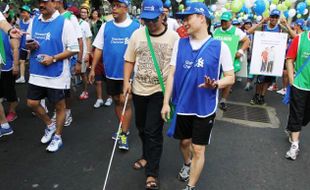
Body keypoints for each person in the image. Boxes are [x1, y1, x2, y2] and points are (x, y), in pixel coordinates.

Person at [161, 3, 234, 190]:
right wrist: (165, 102)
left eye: (188, 18)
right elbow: (172, 73)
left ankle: (190, 187)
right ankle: (187, 163)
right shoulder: (180, 43)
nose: (184, 22)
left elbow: (230, 77)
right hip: (183, 104)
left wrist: (216, 84)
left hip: (205, 107)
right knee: (184, 142)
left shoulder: (220, 47)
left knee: (198, 148)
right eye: (183, 19)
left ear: (202, 18)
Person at [123, 0, 179, 188]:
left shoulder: (173, 37)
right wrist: (126, 83)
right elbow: (129, 60)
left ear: (162, 15)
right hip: (139, 89)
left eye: (154, 19)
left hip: (159, 91)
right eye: (146, 20)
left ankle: (152, 173)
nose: (150, 24)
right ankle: (146, 156)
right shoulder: (137, 34)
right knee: (141, 128)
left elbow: (174, 68)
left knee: (153, 132)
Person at [25, 0, 79, 152]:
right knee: (32, 103)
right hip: (37, 72)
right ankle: (50, 125)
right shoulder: (34, 20)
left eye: (44, 1)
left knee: (59, 107)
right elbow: (27, 43)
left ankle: (57, 137)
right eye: (39, 2)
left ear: (55, 3)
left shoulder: (65, 22)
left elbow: (74, 48)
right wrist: (30, 45)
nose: (41, 5)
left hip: (57, 74)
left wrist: (53, 58)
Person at [89, 0, 139, 150]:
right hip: (110, 73)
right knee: (117, 101)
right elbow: (98, 48)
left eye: (117, 6)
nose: (114, 9)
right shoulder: (106, 26)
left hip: (128, 76)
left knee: (125, 102)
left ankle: (124, 133)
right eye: (113, 6)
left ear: (126, 8)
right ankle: (122, 126)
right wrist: (92, 69)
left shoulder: (136, 27)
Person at [247, 9, 296, 105]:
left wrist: (286, 24)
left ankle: (262, 96)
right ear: (269, 17)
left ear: (278, 18)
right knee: (260, 79)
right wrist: (261, 22)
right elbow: (249, 31)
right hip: (262, 58)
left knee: (268, 80)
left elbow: (295, 37)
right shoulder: (263, 27)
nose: (274, 19)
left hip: (274, 59)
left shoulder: (281, 28)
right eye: (272, 17)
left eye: (276, 17)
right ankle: (256, 95)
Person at [54, 0, 83, 127]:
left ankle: (67, 111)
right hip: (56, 59)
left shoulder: (71, 17)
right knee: (56, 88)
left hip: (69, 60)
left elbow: (80, 40)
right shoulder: (52, 17)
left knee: (67, 88)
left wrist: (79, 62)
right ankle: (59, 111)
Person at [213, 11, 250, 111]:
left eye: (226, 21)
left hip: (230, 60)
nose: (223, 23)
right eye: (222, 21)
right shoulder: (216, 31)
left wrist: (241, 51)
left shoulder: (236, 31)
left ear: (230, 21)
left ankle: (223, 100)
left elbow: (247, 40)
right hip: (216, 60)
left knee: (228, 81)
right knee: (215, 80)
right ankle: (214, 99)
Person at [284, 29, 310, 160]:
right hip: (300, 85)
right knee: (297, 114)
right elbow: (289, 59)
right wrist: (292, 79)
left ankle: (292, 126)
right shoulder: (300, 39)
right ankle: (294, 145)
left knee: (305, 117)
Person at [0, 11, 24, 138]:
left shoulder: (9, 29)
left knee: (10, 91)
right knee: (2, 93)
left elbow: (15, 49)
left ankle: (12, 111)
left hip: (8, 67)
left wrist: (15, 66)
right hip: (1, 67)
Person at [15, 5, 32, 84]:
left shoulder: (32, 21)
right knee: (22, 61)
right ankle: (22, 77)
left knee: (32, 62)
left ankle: (33, 77)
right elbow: (20, 31)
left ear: (29, 13)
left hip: (30, 45)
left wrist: (23, 32)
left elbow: (32, 32)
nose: (22, 14)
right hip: (22, 44)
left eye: (24, 12)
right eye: (22, 13)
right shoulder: (21, 21)